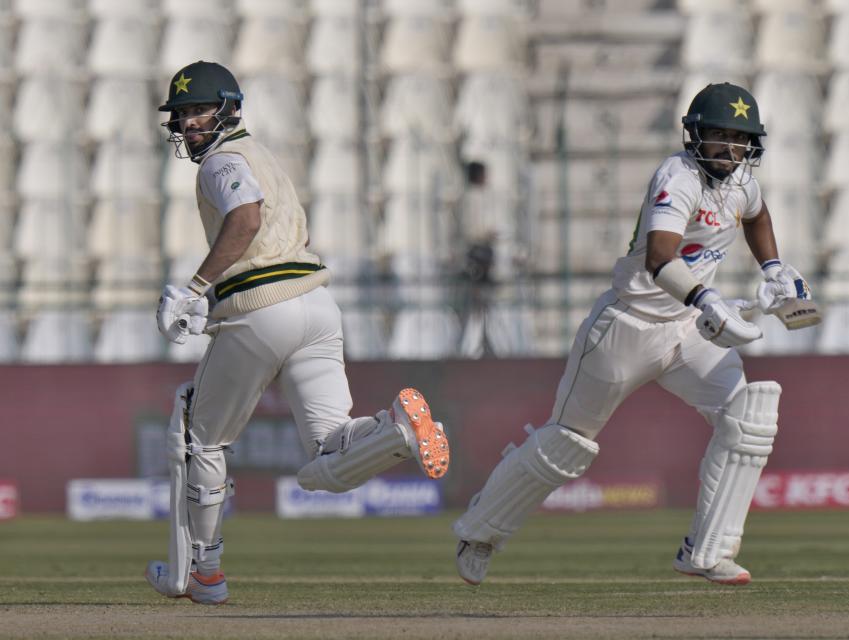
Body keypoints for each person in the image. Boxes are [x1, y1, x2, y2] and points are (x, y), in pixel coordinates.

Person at [453, 82, 814, 586]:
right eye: (720, 136)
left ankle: (706, 551)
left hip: (687, 330)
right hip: (627, 326)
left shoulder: (740, 183)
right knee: (568, 443)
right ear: (696, 136)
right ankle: (480, 531)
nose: (730, 149)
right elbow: (660, 256)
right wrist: (706, 298)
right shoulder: (678, 176)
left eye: (740, 138)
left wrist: (774, 268)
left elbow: (756, 214)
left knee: (749, 418)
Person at [145, 61, 451, 605]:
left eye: (198, 110)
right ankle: (394, 433)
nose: (189, 124)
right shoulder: (260, 154)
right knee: (329, 456)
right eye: (183, 114)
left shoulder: (221, 161)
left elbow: (246, 219)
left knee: (201, 434)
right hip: (317, 305)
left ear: (229, 109)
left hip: (262, 308)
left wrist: (195, 287)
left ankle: (204, 573)